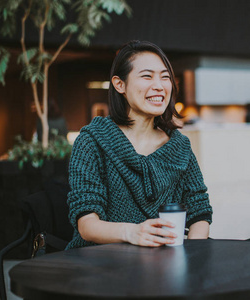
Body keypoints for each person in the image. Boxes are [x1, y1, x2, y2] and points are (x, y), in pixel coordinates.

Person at [66, 40, 213, 249]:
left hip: (163, 269)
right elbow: (87, 224)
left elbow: (199, 213)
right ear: (119, 84)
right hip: (100, 266)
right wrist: (132, 232)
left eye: (165, 77)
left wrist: (189, 255)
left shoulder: (180, 147)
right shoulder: (92, 141)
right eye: (147, 76)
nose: (159, 86)